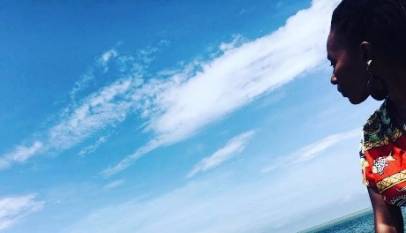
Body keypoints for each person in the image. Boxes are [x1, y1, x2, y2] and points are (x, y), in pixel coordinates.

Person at [327, 0, 406, 232]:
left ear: (365, 53)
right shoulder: (375, 134)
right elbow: (386, 223)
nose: (333, 78)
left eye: (333, 62)